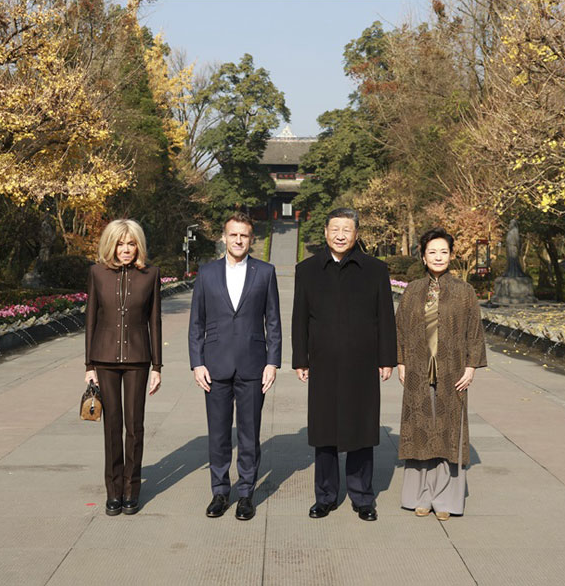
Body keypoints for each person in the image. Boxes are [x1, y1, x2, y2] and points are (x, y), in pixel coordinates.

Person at [292, 207, 397, 522]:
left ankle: (362, 496)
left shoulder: (375, 270)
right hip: (322, 362)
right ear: (325, 232)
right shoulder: (307, 270)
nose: (340, 235)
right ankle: (325, 496)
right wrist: (300, 358)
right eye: (335, 229)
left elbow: (385, 317)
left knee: (361, 429)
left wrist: (387, 358)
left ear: (356, 234)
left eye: (346, 229)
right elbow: (300, 318)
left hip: (362, 363)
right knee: (324, 432)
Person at [188, 213, 281, 521]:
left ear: (251, 239)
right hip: (214, 365)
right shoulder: (207, 273)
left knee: (249, 434)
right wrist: (197, 363)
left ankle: (245, 494)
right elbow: (196, 322)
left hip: (253, 365)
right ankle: (219, 491)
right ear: (224, 237)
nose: (238, 240)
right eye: (233, 234)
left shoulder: (265, 272)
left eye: (244, 235)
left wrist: (272, 362)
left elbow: (273, 321)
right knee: (218, 434)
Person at [395, 227, 487, 520]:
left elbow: (474, 330)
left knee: (449, 431)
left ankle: (445, 498)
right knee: (420, 430)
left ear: (451, 255)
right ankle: (420, 496)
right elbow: (400, 328)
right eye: (432, 252)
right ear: (423, 256)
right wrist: (401, 362)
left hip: (453, 370)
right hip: (418, 369)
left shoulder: (464, 291)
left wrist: (471, 366)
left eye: (443, 252)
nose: (438, 257)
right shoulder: (412, 290)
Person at [85, 218, 162, 516]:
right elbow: (91, 319)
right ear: (111, 245)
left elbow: (154, 320)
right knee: (112, 426)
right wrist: (89, 365)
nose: (125, 249)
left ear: (138, 246)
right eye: (120, 244)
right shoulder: (97, 273)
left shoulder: (150, 274)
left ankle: (132, 489)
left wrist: (157, 366)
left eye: (131, 243)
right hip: (103, 358)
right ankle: (113, 491)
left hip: (138, 359)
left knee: (135, 426)